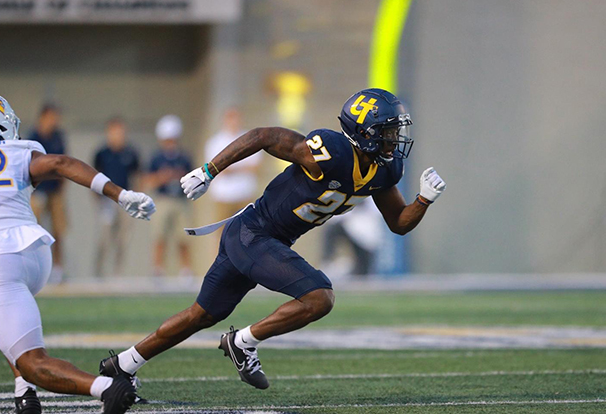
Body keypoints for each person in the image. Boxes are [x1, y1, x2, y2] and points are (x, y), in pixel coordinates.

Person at [99, 88, 446, 391]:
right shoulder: (331, 151)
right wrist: (209, 170)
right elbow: (265, 136)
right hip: (254, 233)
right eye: (387, 132)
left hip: (261, 239)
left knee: (200, 316)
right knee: (319, 296)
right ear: (364, 132)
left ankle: (123, 365)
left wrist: (423, 200)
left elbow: (398, 223)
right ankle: (242, 342)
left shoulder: (385, 169)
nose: (394, 139)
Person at [0, 91, 155, 414]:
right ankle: (24, 389)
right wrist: (120, 194)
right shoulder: (15, 151)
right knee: (9, 324)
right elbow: (62, 163)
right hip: (37, 254)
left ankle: (105, 388)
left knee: (32, 360)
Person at [146, 115, 194, 277]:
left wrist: (179, 176)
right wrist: (162, 177)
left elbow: (193, 178)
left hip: (181, 200)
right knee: (160, 236)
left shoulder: (184, 157)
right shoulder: (156, 157)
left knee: (183, 237)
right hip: (163, 200)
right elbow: (148, 180)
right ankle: (158, 269)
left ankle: (185, 270)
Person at [93, 118, 141, 277]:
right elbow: (93, 177)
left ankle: (117, 274)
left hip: (126, 201)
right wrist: (98, 199)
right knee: (104, 238)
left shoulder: (130, 153)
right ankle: (99, 273)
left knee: (123, 240)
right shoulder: (102, 154)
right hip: (107, 200)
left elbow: (137, 177)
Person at [27, 104, 67, 283]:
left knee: (58, 230)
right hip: (38, 191)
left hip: (55, 191)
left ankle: (58, 268)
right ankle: (36, 268)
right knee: (35, 231)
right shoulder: (32, 138)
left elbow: (65, 163)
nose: (54, 122)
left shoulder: (58, 137)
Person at [204, 108, 263, 221]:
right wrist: (242, 167)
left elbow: (255, 167)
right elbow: (217, 170)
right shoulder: (215, 142)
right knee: (222, 231)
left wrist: (231, 168)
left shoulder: (251, 139)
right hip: (224, 195)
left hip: (245, 193)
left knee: (247, 230)